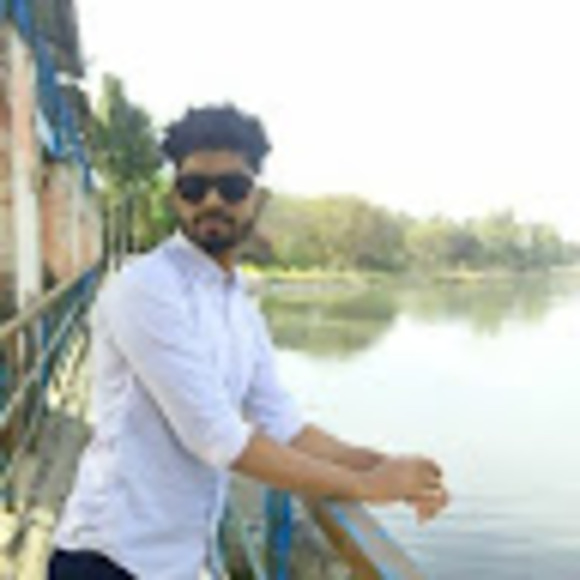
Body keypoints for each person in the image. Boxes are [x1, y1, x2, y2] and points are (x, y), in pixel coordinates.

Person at [48, 104, 449, 580]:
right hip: (109, 559)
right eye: (194, 188)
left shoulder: (240, 304)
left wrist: (388, 469)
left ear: (257, 198)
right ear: (175, 198)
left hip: (178, 563)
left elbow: (283, 424)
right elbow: (217, 437)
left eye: (232, 188)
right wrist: (366, 487)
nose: (211, 201)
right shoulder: (145, 289)